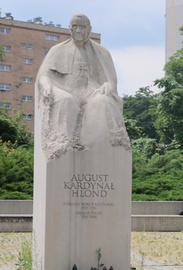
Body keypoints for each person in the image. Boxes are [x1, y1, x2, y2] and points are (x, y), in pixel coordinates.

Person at [36, 13, 130, 160]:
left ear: (89, 29)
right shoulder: (57, 50)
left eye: (82, 27)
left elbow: (109, 79)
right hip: (65, 89)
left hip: (91, 91)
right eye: (75, 27)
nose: (78, 30)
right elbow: (44, 75)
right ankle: (63, 146)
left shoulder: (102, 52)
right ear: (69, 29)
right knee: (65, 100)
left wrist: (107, 85)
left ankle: (103, 148)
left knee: (103, 101)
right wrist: (46, 85)